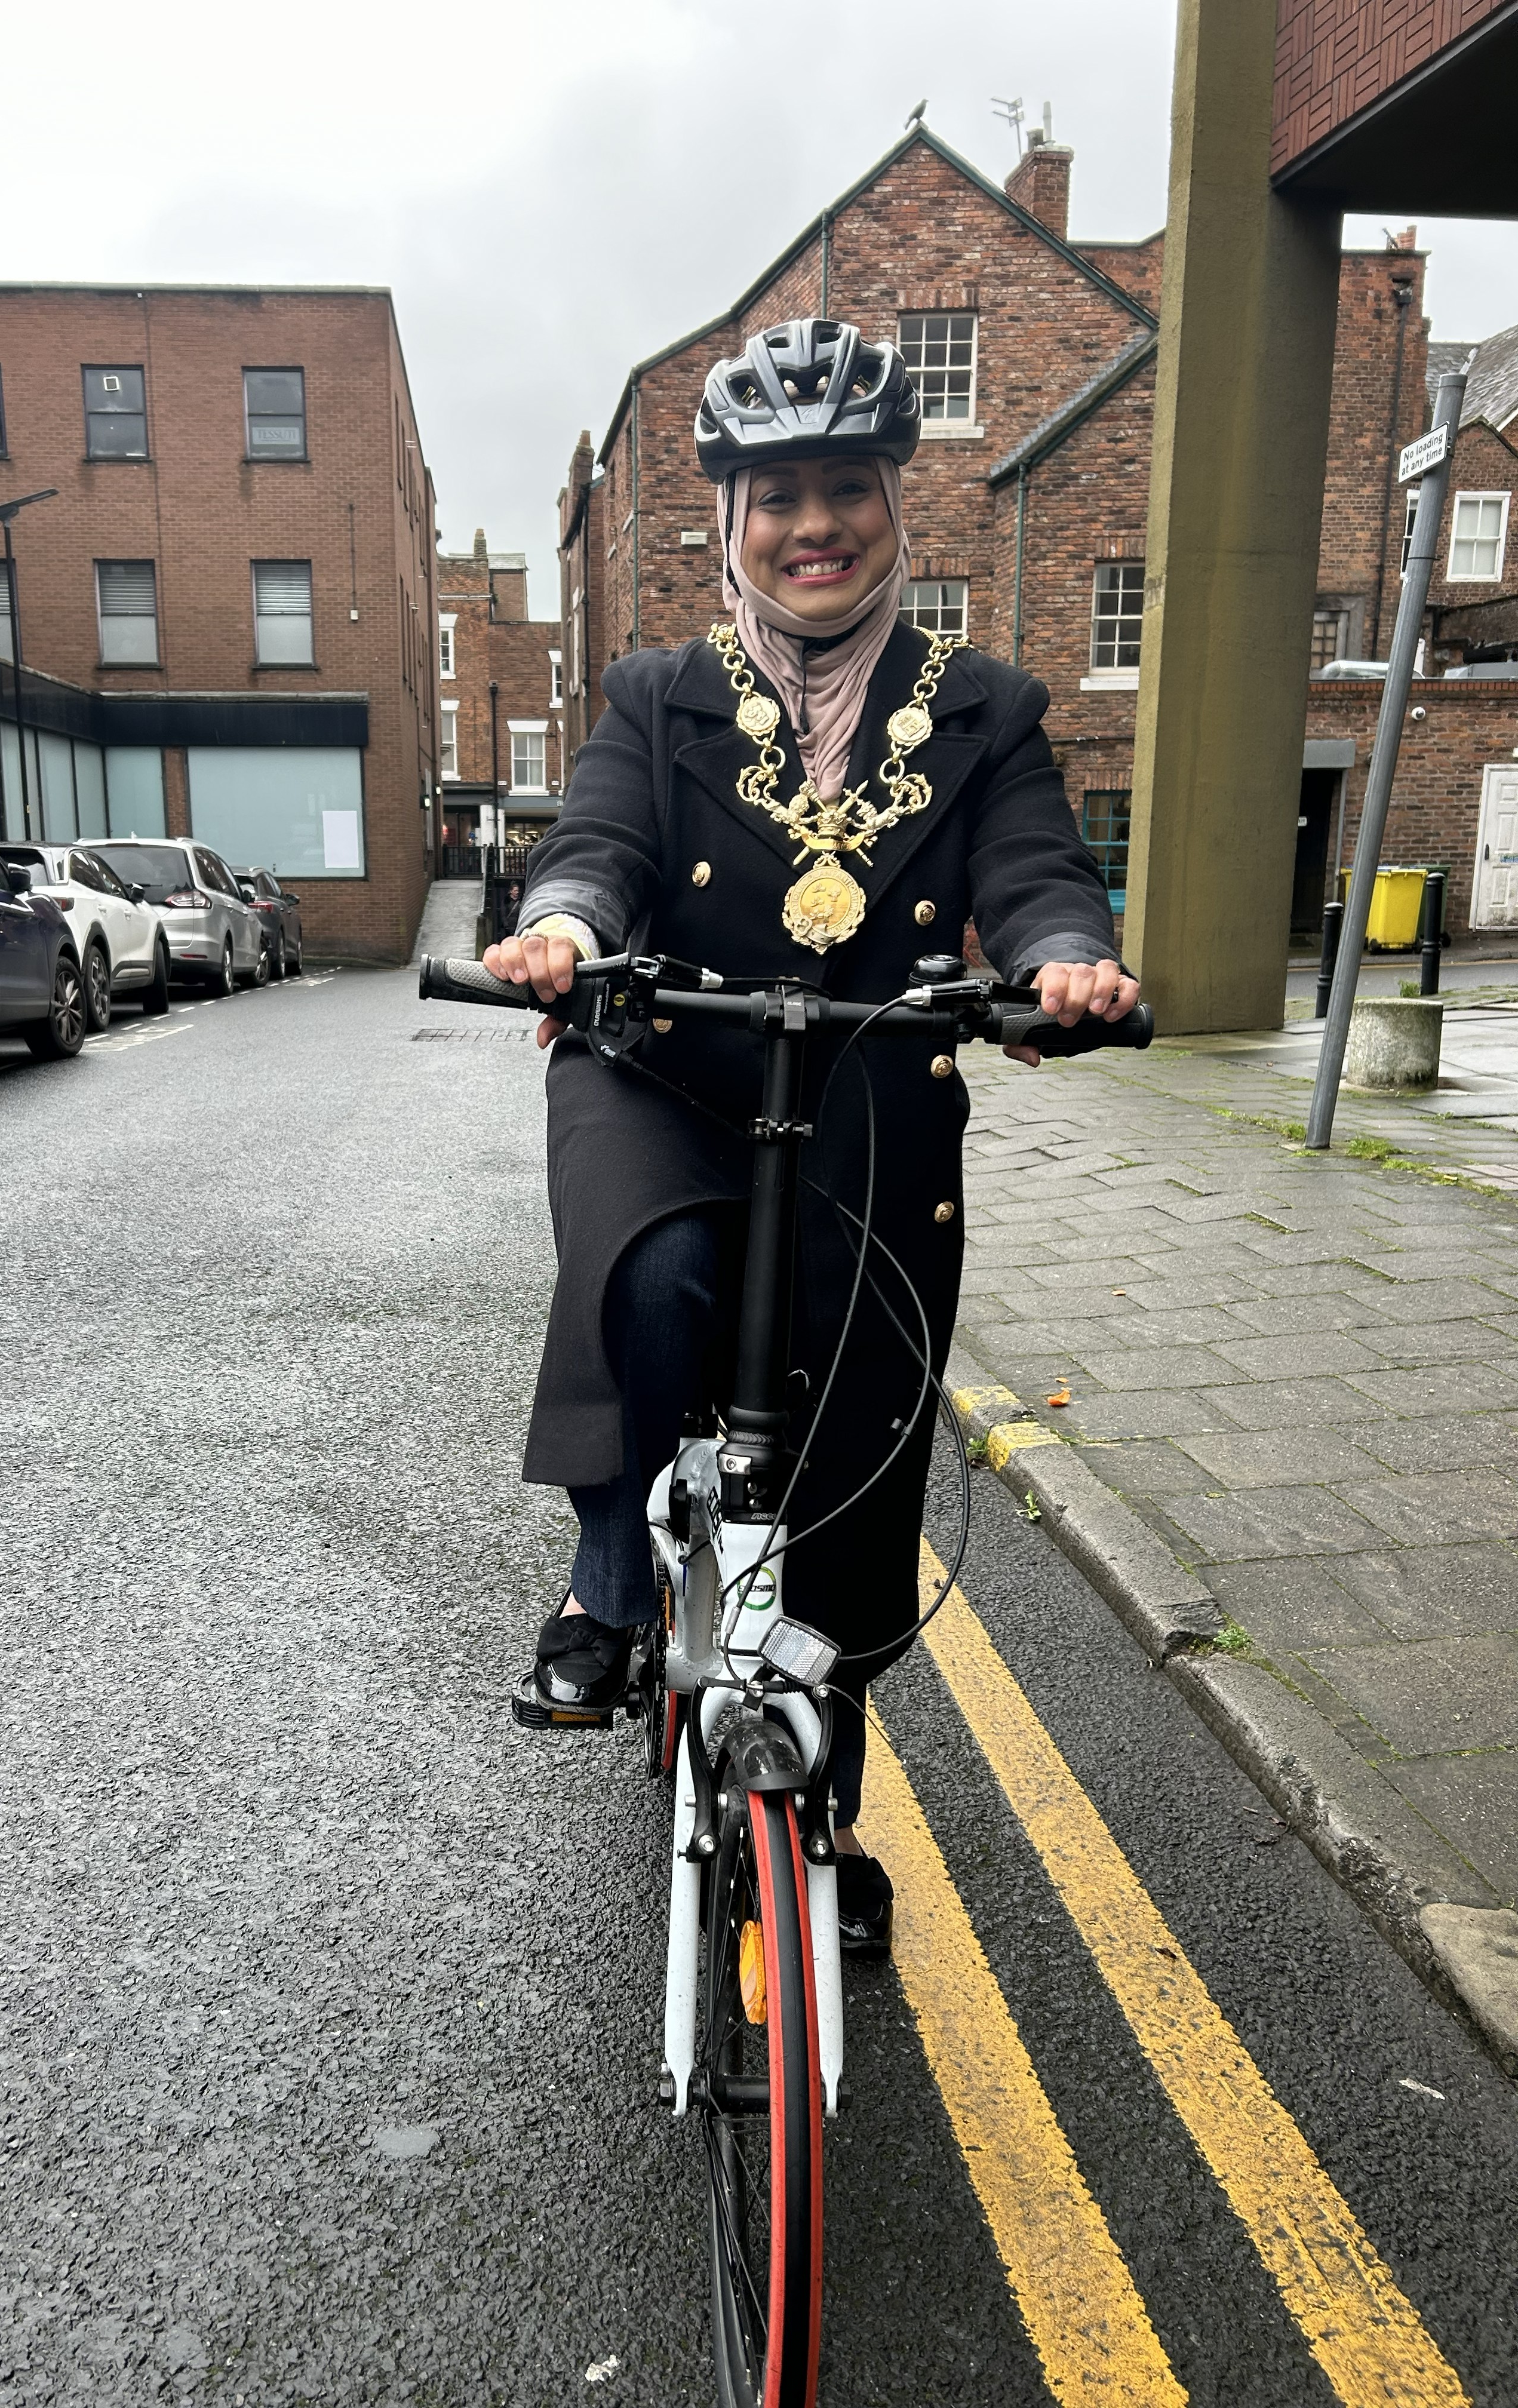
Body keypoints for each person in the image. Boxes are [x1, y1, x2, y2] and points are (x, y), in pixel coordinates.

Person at [484, 318, 1137, 1953]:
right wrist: (563, 923)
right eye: (779, 497)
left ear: (896, 507)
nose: (813, 525)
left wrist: (1061, 954)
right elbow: (601, 843)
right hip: (667, 1074)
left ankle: (819, 1817)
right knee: (663, 1272)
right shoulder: (655, 692)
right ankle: (612, 1573)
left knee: (852, 1452)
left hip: (863, 1092)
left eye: (847, 489)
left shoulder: (980, 706)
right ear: (730, 521)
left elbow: (1035, 863)